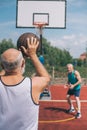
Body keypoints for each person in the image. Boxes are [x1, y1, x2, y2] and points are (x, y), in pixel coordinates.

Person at [0, 37, 50, 130]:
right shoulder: (32, 85)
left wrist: (7, 65)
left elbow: (5, 69)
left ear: (2, 65)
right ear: (23, 63)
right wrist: (33, 55)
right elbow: (46, 77)